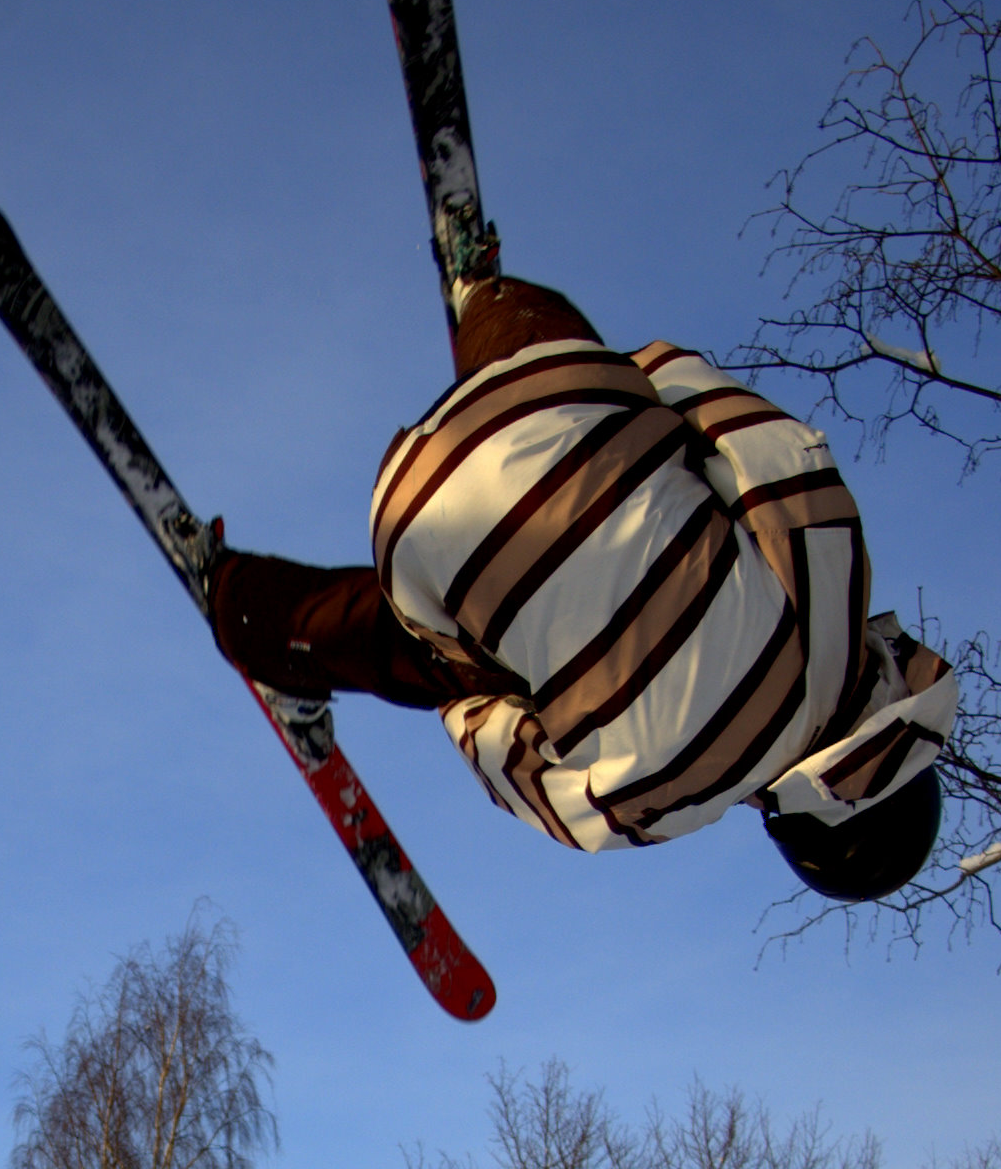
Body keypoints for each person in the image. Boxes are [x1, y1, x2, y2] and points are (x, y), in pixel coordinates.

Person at [205, 272, 956, 902]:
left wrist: (632, 381)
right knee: (443, 655)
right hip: (415, 505)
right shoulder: (664, 806)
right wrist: (471, 690)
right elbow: (511, 764)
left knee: (551, 365)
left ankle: (486, 297)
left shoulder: (833, 587)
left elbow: (758, 443)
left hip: (550, 400)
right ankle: (248, 613)